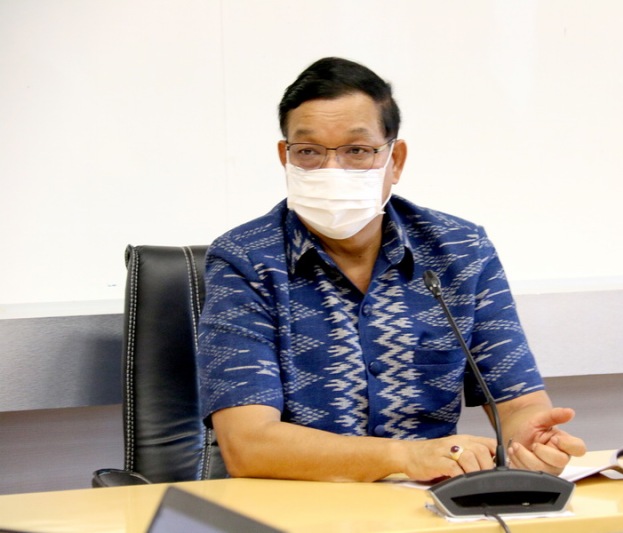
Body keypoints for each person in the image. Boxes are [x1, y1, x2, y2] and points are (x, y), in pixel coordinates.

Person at [197, 57, 586, 483]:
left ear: (395, 160)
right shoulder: (244, 260)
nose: (332, 170)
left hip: (428, 506)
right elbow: (248, 445)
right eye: (308, 152)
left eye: (357, 151)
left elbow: (518, 403)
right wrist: (404, 457)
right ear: (284, 158)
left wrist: (530, 441)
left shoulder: (460, 251)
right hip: (293, 506)